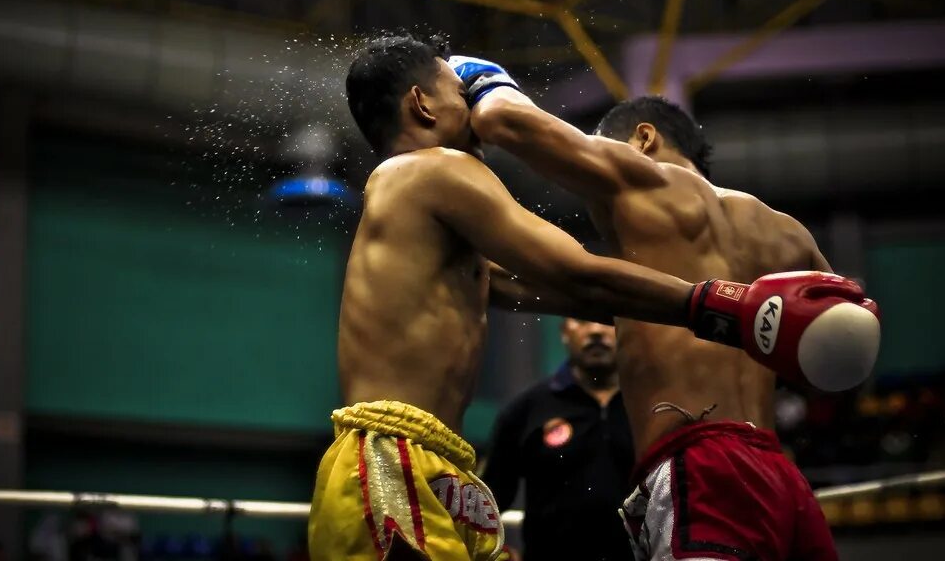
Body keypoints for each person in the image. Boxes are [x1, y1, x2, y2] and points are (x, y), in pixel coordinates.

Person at [306, 34, 834, 561]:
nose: (471, 107)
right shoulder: (433, 169)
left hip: (434, 459)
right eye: (459, 94)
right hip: (389, 456)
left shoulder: (423, 217)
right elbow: (576, 272)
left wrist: (696, 307)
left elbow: (559, 291)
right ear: (422, 104)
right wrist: (723, 305)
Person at [451, 56, 881, 561]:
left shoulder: (646, 181)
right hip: (781, 478)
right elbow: (843, 361)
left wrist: (472, 74)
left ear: (643, 139)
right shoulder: (789, 234)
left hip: (703, 467)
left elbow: (505, 121)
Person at [481, 318, 634, 561]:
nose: (595, 330)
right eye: (582, 320)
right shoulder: (526, 409)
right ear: (564, 332)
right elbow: (487, 503)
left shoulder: (650, 409)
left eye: (606, 320)